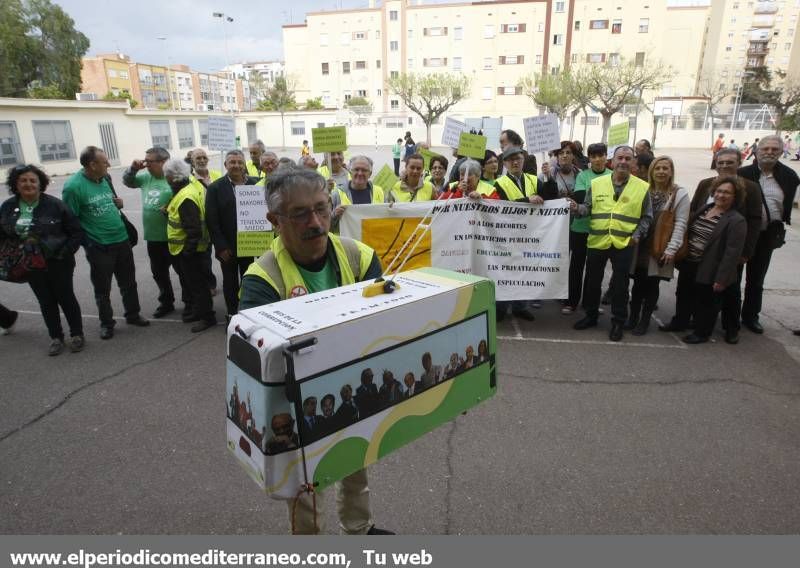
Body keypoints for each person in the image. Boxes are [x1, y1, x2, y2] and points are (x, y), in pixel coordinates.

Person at [237, 167, 391, 535]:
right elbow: (261, 361)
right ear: (274, 220)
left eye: (322, 208)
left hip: (354, 384)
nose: (316, 222)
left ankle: (359, 527)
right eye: (300, 213)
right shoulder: (262, 279)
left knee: (356, 458)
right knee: (306, 486)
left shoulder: (361, 257)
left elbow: (385, 324)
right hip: (299, 402)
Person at [666, 148, 763, 334]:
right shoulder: (705, 184)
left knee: (727, 291)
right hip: (695, 252)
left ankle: (730, 328)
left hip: (727, 251)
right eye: (721, 162)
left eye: (729, 162)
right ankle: (683, 321)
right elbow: (693, 210)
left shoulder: (750, 187)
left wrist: (746, 253)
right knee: (688, 288)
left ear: (738, 163)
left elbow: (755, 221)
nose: (725, 166)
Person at [63, 146, 149, 340]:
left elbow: (111, 200)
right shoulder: (73, 187)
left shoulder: (105, 178)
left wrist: (118, 203)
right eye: (105, 162)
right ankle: (107, 323)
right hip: (99, 245)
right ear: (92, 165)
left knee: (129, 282)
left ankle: (133, 314)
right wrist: (89, 243)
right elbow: (70, 221)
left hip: (121, 239)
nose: (109, 164)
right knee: (103, 289)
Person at [570, 146, 652, 342]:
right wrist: (576, 208)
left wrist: (638, 235)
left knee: (620, 285)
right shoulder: (597, 184)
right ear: (612, 161)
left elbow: (647, 217)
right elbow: (587, 209)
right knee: (592, 283)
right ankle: (590, 316)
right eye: (620, 158)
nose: (623, 161)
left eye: (628, 158)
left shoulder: (642, 187)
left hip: (624, 243)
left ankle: (618, 321)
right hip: (597, 241)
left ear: (633, 163)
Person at [1, 165, 84, 354]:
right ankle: (56, 337)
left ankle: (77, 335)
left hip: (58, 261)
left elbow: (76, 232)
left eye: (32, 180)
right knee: (45, 300)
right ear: (16, 184)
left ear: (40, 184)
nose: (28, 184)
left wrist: (64, 252)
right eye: (23, 180)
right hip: (28, 263)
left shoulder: (55, 205)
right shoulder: (7, 207)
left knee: (66, 297)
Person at [737, 135, 800, 334]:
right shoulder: (742, 173)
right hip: (742, 233)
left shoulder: (790, 176)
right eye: (766, 149)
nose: (770, 152)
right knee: (733, 276)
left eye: (774, 149)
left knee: (756, 279)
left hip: (767, 235)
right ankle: (729, 313)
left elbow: (792, 203)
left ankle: (750, 316)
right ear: (757, 151)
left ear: (781, 152)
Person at [625, 156, 689, 336]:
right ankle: (632, 318)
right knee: (638, 283)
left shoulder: (679, 193)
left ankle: (644, 321)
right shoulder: (643, 188)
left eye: (665, 168)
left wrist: (671, 248)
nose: (661, 171)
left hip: (661, 246)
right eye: (657, 168)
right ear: (652, 171)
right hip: (640, 245)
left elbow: (681, 223)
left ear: (671, 171)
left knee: (652, 284)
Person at [680, 177, 747, 344]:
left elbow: (732, 253)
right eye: (719, 191)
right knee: (692, 296)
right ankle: (691, 324)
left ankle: (702, 333)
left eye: (727, 192)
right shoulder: (706, 208)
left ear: (735, 196)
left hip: (711, 266)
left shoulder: (736, 220)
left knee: (707, 302)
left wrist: (721, 279)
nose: (721, 195)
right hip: (691, 262)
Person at [494, 146, 557, 322]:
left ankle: (520, 307)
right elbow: (501, 208)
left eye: (518, 159)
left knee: (525, 272)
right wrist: (526, 200)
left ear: (523, 161)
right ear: (505, 163)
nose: (515, 162)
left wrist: (549, 177)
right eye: (511, 159)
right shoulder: (499, 183)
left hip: (531, 235)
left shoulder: (533, 180)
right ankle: (500, 306)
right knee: (505, 273)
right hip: (508, 236)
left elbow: (551, 197)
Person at [123, 147, 187, 319]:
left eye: (149, 161)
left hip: (173, 237)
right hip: (153, 237)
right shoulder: (145, 177)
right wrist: (133, 169)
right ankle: (166, 301)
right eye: (145, 161)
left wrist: (171, 207)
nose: (146, 164)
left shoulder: (174, 178)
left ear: (163, 162)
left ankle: (189, 302)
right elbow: (128, 182)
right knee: (159, 273)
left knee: (183, 272)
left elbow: (186, 199)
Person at [163, 159, 216, 332]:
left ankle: (207, 317)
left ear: (172, 177)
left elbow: (193, 229)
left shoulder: (185, 196)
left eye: (167, 175)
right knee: (194, 284)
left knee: (198, 286)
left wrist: (187, 252)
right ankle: (200, 312)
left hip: (190, 251)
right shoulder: (190, 186)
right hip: (191, 250)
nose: (166, 178)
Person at [205, 150, 259, 319]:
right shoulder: (215, 187)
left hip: (250, 243)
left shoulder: (256, 184)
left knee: (248, 280)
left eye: (239, 162)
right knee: (230, 282)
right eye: (232, 162)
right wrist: (220, 247)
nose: (236, 165)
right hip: (227, 246)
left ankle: (246, 313)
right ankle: (232, 314)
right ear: (225, 165)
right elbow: (212, 220)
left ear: (244, 165)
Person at [564, 143, 612, 315]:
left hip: (601, 231)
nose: (598, 159)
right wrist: (601, 194)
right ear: (589, 159)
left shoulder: (613, 176)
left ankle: (590, 303)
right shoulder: (583, 176)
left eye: (601, 155)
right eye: (593, 156)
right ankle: (571, 302)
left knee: (595, 271)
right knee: (576, 267)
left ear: (607, 156)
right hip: (579, 228)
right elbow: (580, 197)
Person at [189, 148, 220, 296]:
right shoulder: (188, 179)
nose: (202, 160)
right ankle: (210, 283)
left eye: (204, 157)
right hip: (201, 227)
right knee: (204, 258)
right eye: (198, 158)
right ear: (192, 161)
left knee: (225, 255)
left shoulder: (217, 175)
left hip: (219, 224)